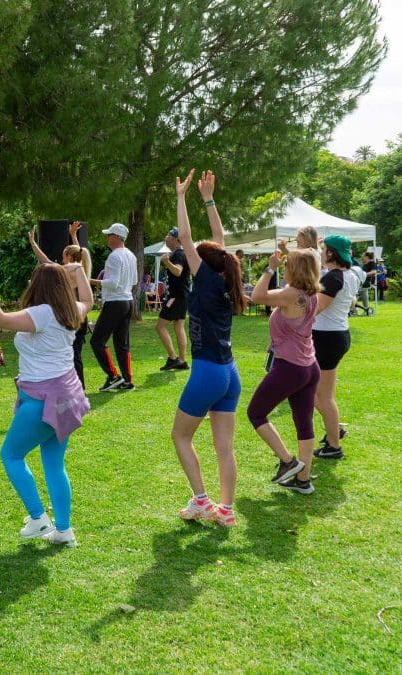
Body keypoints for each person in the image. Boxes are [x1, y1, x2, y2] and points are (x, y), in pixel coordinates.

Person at [0, 261, 93, 547]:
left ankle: (38, 518)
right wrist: (78, 272)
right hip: (67, 395)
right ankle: (64, 531)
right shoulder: (71, 311)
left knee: (11, 455)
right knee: (54, 464)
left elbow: (1, 320)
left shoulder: (42, 314)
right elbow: (88, 301)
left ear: (37, 285)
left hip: (44, 400)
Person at [168, 169, 247, 527]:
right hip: (230, 373)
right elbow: (218, 239)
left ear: (203, 261)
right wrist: (209, 199)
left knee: (180, 435)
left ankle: (202, 501)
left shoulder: (205, 278)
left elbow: (185, 236)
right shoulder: (225, 274)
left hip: (209, 372)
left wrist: (182, 196)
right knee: (224, 447)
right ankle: (226, 511)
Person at [247, 248, 321, 490]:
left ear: (294, 270)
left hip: (290, 367)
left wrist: (270, 268)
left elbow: (256, 296)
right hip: (309, 366)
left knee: (256, 413)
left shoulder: (290, 294)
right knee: (304, 422)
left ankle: (288, 461)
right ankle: (303, 480)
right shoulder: (313, 294)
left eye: (288, 265)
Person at [305, 235, 360, 475]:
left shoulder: (333, 278)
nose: (322, 253)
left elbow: (314, 308)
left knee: (321, 397)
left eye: (324, 250)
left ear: (331, 254)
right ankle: (334, 430)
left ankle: (334, 441)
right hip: (337, 334)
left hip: (327, 338)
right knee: (323, 395)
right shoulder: (350, 275)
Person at [28, 222, 92, 388]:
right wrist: (73, 236)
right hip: (80, 316)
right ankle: (76, 387)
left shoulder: (67, 272)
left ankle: (79, 388)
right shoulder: (80, 268)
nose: (62, 259)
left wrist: (34, 244)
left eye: (64, 256)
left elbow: (46, 262)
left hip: (74, 315)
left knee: (73, 355)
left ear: (69, 258)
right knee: (74, 353)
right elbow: (78, 252)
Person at [89, 222, 138, 391]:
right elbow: (134, 281)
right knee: (122, 342)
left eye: (109, 235)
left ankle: (113, 376)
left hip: (115, 302)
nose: (107, 238)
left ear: (116, 237)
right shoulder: (131, 255)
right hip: (127, 301)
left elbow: (112, 283)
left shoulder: (114, 256)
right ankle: (127, 379)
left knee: (97, 341)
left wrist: (89, 281)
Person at [155, 227, 190, 372]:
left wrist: (166, 262)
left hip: (176, 297)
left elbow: (177, 271)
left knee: (160, 326)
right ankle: (182, 360)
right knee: (178, 327)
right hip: (181, 296)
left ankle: (173, 358)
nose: (166, 237)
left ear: (176, 239)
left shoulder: (178, 254)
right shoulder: (180, 253)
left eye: (169, 235)